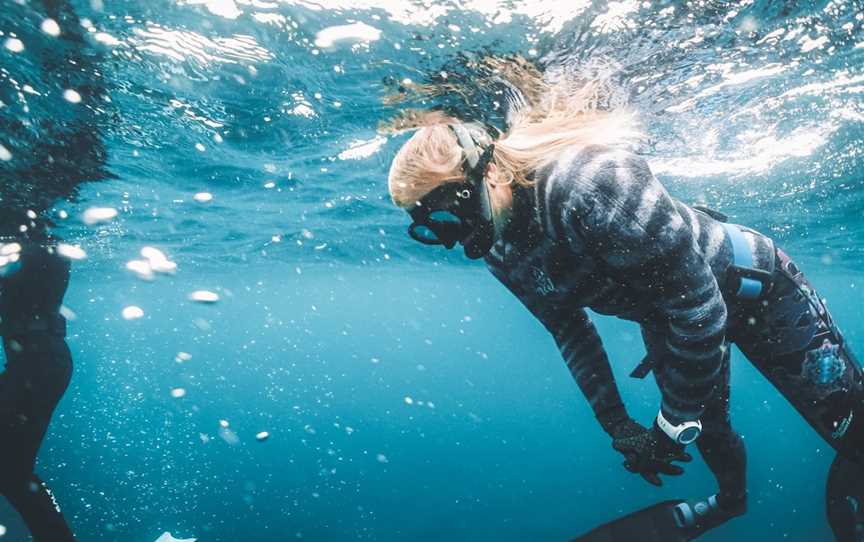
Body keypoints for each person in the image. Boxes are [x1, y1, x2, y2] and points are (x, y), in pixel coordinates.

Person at [384, 61, 863, 541]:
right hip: (671, 317)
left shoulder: (586, 184)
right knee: (707, 427)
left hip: (756, 289)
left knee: (850, 430)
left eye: (446, 219)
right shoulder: (501, 251)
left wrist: (672, 423)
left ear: (486, 175)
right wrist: (620, 426)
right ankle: (729, 504)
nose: (449, 241)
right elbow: (569, 328)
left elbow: (701, 309)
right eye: (426, 231)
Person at [1, 1, 106, 540]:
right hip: (41, 360)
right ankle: (78, 61)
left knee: (11, 475)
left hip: (39, 361)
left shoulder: (32, 245)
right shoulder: (36, 247)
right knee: (11, 475)